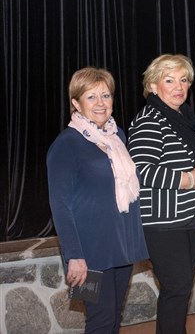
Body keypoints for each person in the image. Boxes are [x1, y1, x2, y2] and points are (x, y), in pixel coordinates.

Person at [47, 67, 149, 333]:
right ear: (75, 103)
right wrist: (74, 256)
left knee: (114, 317)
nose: (101, 103)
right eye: (91, 97)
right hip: (88, 255)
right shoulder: (66, 144)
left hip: (120, 250)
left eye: (105, 95)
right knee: (99, 321)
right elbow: (60, 206)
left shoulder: (118, 137)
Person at [127, 54, 195, 333]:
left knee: (180, 290)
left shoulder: (185, 118)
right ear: (153, 86)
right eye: (169, 80)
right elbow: (140, 171)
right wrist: (188, 179)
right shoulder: (150, 120)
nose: (179, 86)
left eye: (184, 80)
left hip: (189, 218)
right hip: (164, 224)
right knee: (177, 288)